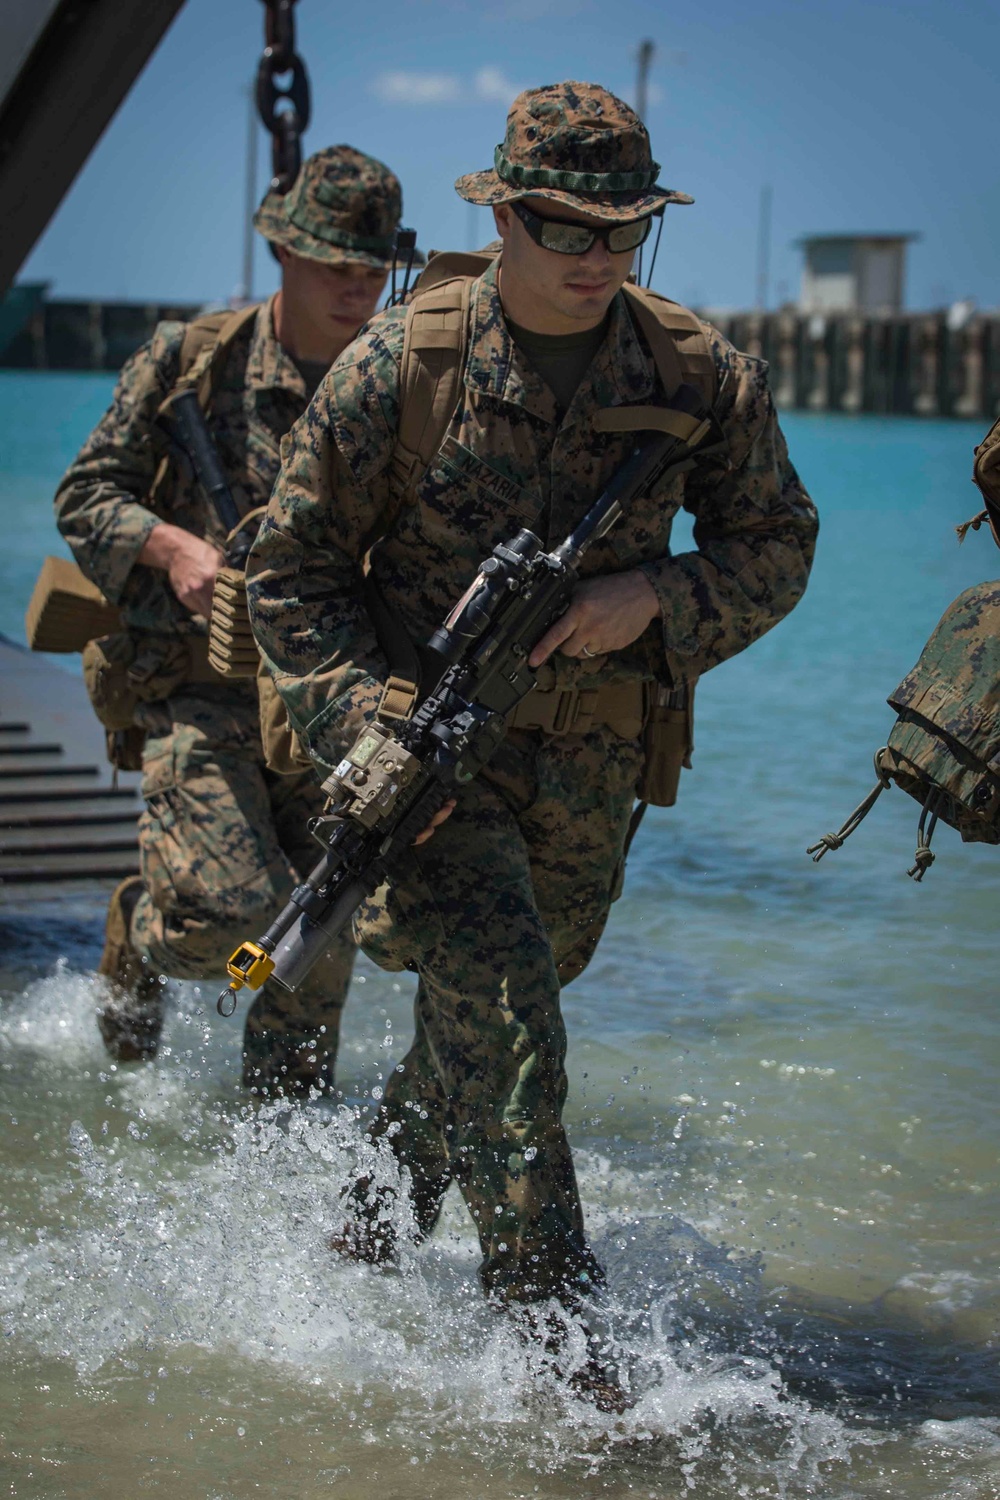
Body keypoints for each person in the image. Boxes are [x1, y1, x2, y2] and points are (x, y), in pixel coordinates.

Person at [246, 82, 818, 1380]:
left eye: (627, 228)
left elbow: (778, 544)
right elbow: (288, 572)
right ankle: (563, 1366)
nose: (600, 258)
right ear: (502, 214)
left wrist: (653, 597)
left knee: (492, 1015)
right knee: (508, 1026)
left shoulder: (697, 372)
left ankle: (368, 1226)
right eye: (568, 228)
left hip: (591, 781)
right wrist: (368, 733)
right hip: (427, 771)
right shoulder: (402, 364)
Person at [55, 145, 417, 1097]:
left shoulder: (392, 385)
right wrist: (173, 550)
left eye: (372, 270)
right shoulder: (191, 362)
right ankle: (141, 923)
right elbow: (87, 496)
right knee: (224, 923)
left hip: (322, 700)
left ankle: (273, 1157)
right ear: (285, 255)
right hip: (200, 690)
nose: (356, 288)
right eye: (337, 266)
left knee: (308, 938)